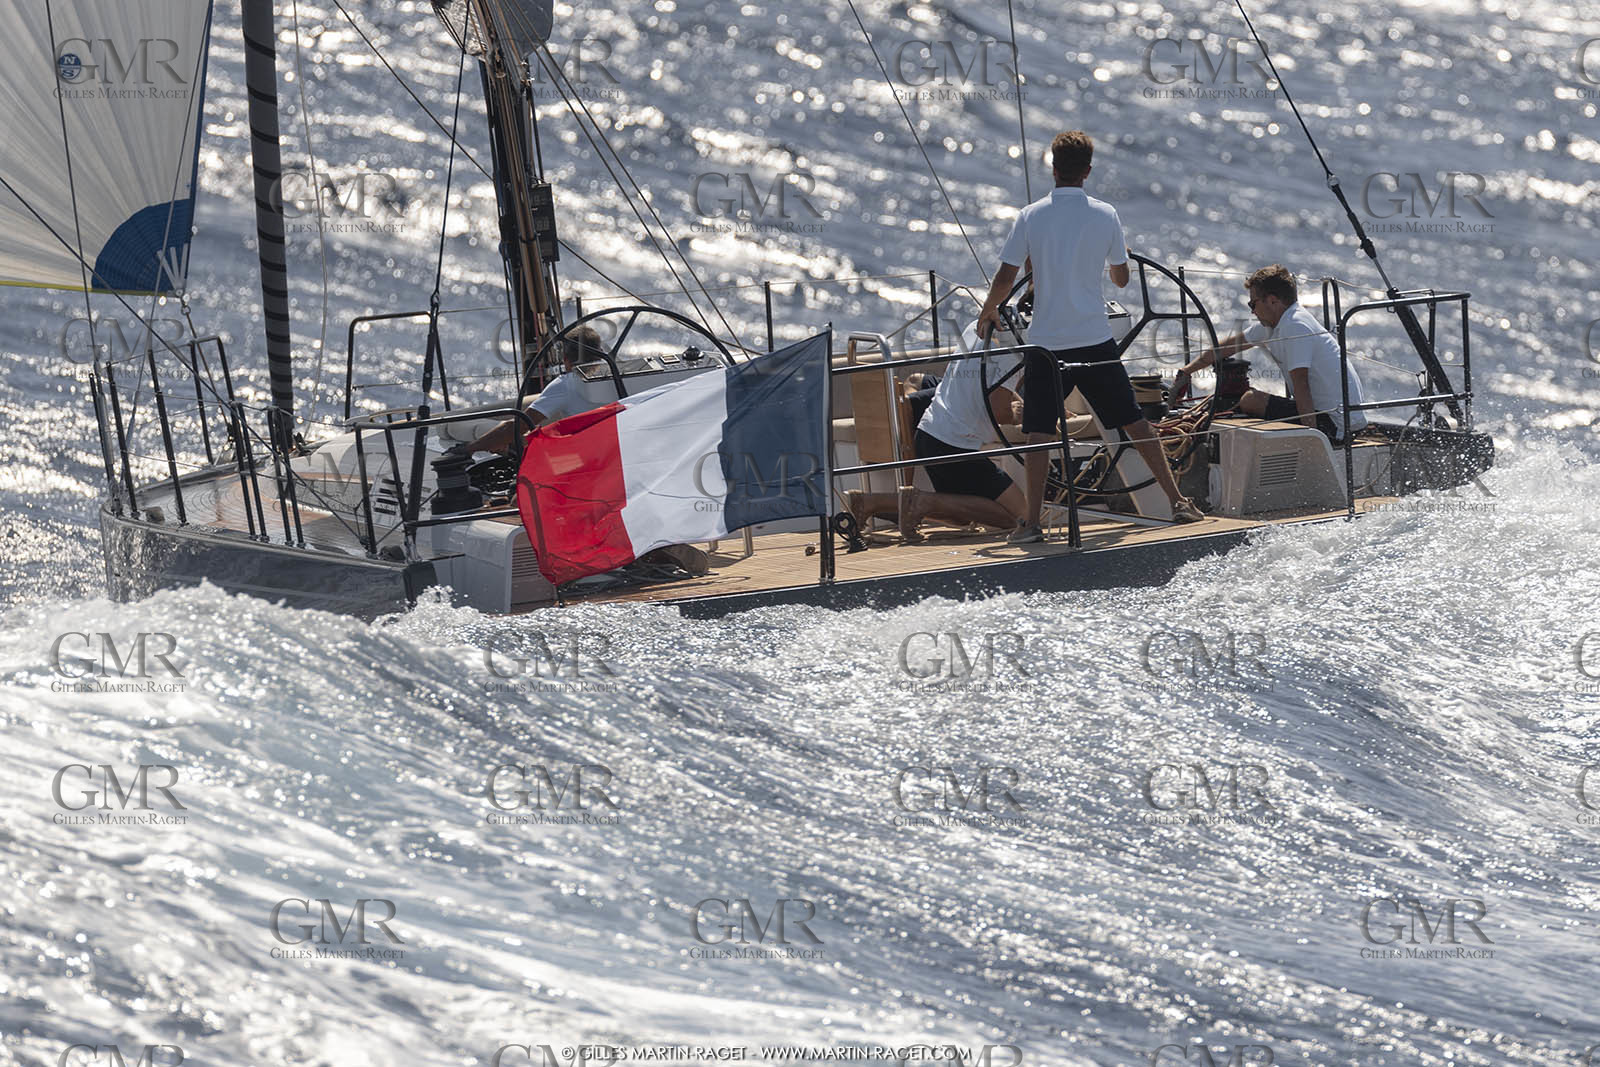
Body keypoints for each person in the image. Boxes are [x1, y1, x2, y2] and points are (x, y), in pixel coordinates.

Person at [976, 130, 1203, 541]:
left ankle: (1030, 525)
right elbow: (1119, 280)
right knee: (1135, 423)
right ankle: (1178, 503)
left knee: (1039, 434)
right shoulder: (1106, 215)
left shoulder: (1030, 215)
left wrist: (988, 311)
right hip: (1095, 340)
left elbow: (1006, 274)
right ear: (1088, 171)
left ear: (1054, 167)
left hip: (1046, 345)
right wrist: (1119, 258)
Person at [845, 340, 1028, 542]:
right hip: (952, 444)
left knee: (958, 516)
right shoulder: (1013, 354)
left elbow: (997, 388)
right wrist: (1023, 415)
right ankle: (920, 502)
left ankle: (871, 502)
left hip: (930, 434)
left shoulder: (976, 332)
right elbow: (999, 411)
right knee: (1020, 518)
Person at [1173, 264, 1368, 440]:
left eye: (1253, 304)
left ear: (1273, 301)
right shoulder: (1276, 324)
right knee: (1251, 399)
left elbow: (1301, 384)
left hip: (1336, 425)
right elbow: (1224, 348)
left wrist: (1312, 439)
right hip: (1341, 418)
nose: (1252, 311)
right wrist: (1186, 372)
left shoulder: (1295, 325)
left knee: (1251, 400)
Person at [465, 325, 607, 454]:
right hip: (614, 454)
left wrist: (469, 448)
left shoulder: (565, 385)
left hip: (586, 458)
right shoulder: (621, 376)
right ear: (601, 352)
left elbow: (518, 427)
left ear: (565, 359)